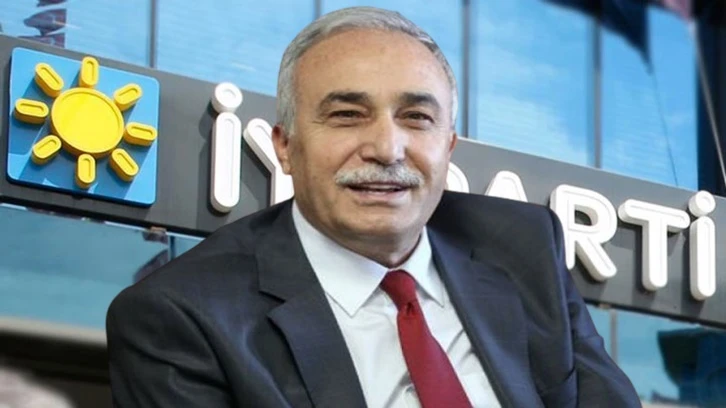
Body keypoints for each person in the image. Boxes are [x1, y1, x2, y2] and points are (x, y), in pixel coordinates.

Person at [106, 6, 640, 408]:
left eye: (416, 118)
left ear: (448, 147)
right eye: (346, 115)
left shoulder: (523, 246)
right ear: (285, 147)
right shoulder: (180, 316)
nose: (387, 149)